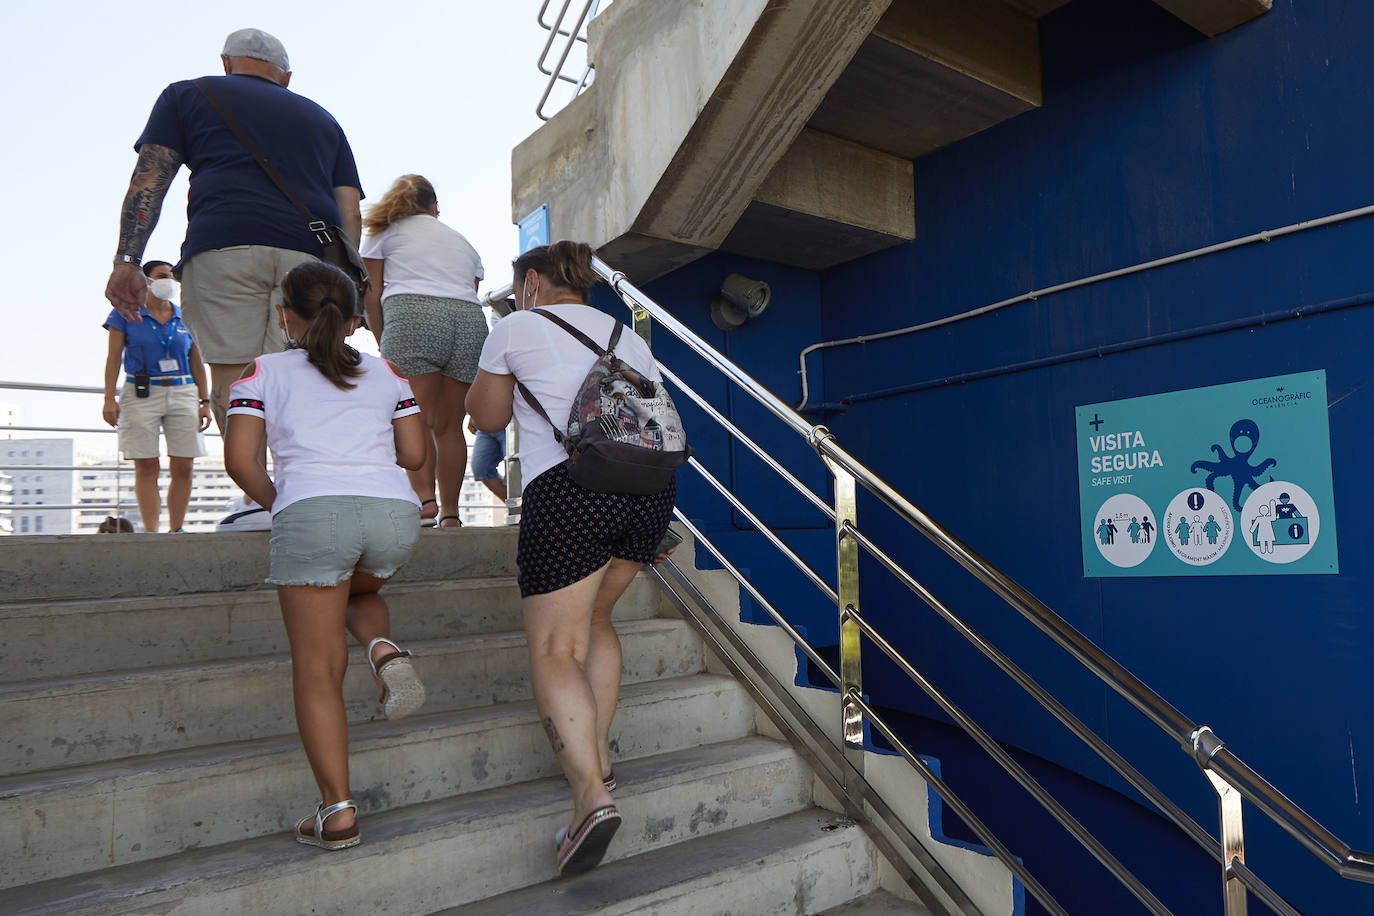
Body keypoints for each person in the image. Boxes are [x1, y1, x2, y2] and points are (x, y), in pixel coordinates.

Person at [467, 241, 677, 876]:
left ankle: (590, 796)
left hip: (570, 490)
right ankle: (600, 756)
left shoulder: (515, 328)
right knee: (597, 622)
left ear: (531, 282)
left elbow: (486, 415)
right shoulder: (627, 335)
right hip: (649, 491)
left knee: (556, 648)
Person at [103, 28, 364, 529]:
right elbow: (348, 211)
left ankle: (256, 501)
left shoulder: (188, 94)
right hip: (308, 258)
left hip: (223, 246)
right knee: (306, 371)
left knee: (234, 375)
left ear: (227, 63)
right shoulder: (321, 118)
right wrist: (346, 283)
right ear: (285, 77)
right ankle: (305, 491)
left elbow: (149, 180)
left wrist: (126, 259)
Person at [224, 261, 428, 851]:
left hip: (314, 514)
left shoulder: (261, 371)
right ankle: (383, 649)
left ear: (284, 316)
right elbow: (414, 456)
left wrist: (286, 503)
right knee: (355, 588)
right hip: (393, 516)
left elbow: (241, 463)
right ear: (352, 318)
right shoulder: (386, 370)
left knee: (317, 672)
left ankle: (336, 813)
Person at [361, 175, 486, 527]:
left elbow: (371, 294)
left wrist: (381, 336)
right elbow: (470, 290)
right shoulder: (461, 242)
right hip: (468, 320)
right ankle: (450, 513)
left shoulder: (383, 233)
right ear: (434, 207)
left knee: (415, 418)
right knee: (449, 427)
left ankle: (423, 501)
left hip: (412, 315)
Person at [102, 260, 211, 533]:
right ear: (146, 280)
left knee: (184, 464)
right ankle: (152, 531)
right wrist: (108, 398)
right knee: (147, 464)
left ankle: (177, 529)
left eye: (173, 277)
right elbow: (113, 358)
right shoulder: (124, 313)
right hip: (140, 391)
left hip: (183, 390)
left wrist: (205, 401)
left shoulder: (185, 315)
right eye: (163, 276)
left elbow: (197, 361)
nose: (169, 281)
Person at [468, 420, 508, 505]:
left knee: (514, 471)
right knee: (480, 468)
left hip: (511, 419)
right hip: (486, 421)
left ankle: (523, 509)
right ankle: (520, 508)